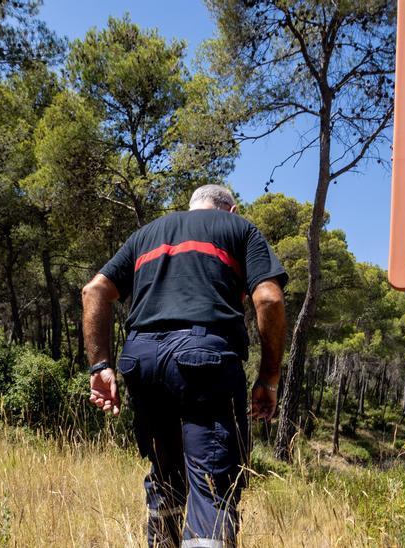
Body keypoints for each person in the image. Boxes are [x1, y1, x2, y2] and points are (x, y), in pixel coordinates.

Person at [82, 184, 288, 548]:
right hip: (204, 358)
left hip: (141, 358)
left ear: (192, 206)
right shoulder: (239, 229)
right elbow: (269, 298)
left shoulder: (146, 234)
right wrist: (269, 377)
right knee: (212, 481)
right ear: (231, 208)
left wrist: (100, 366)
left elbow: (94, 291)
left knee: (166, 474)